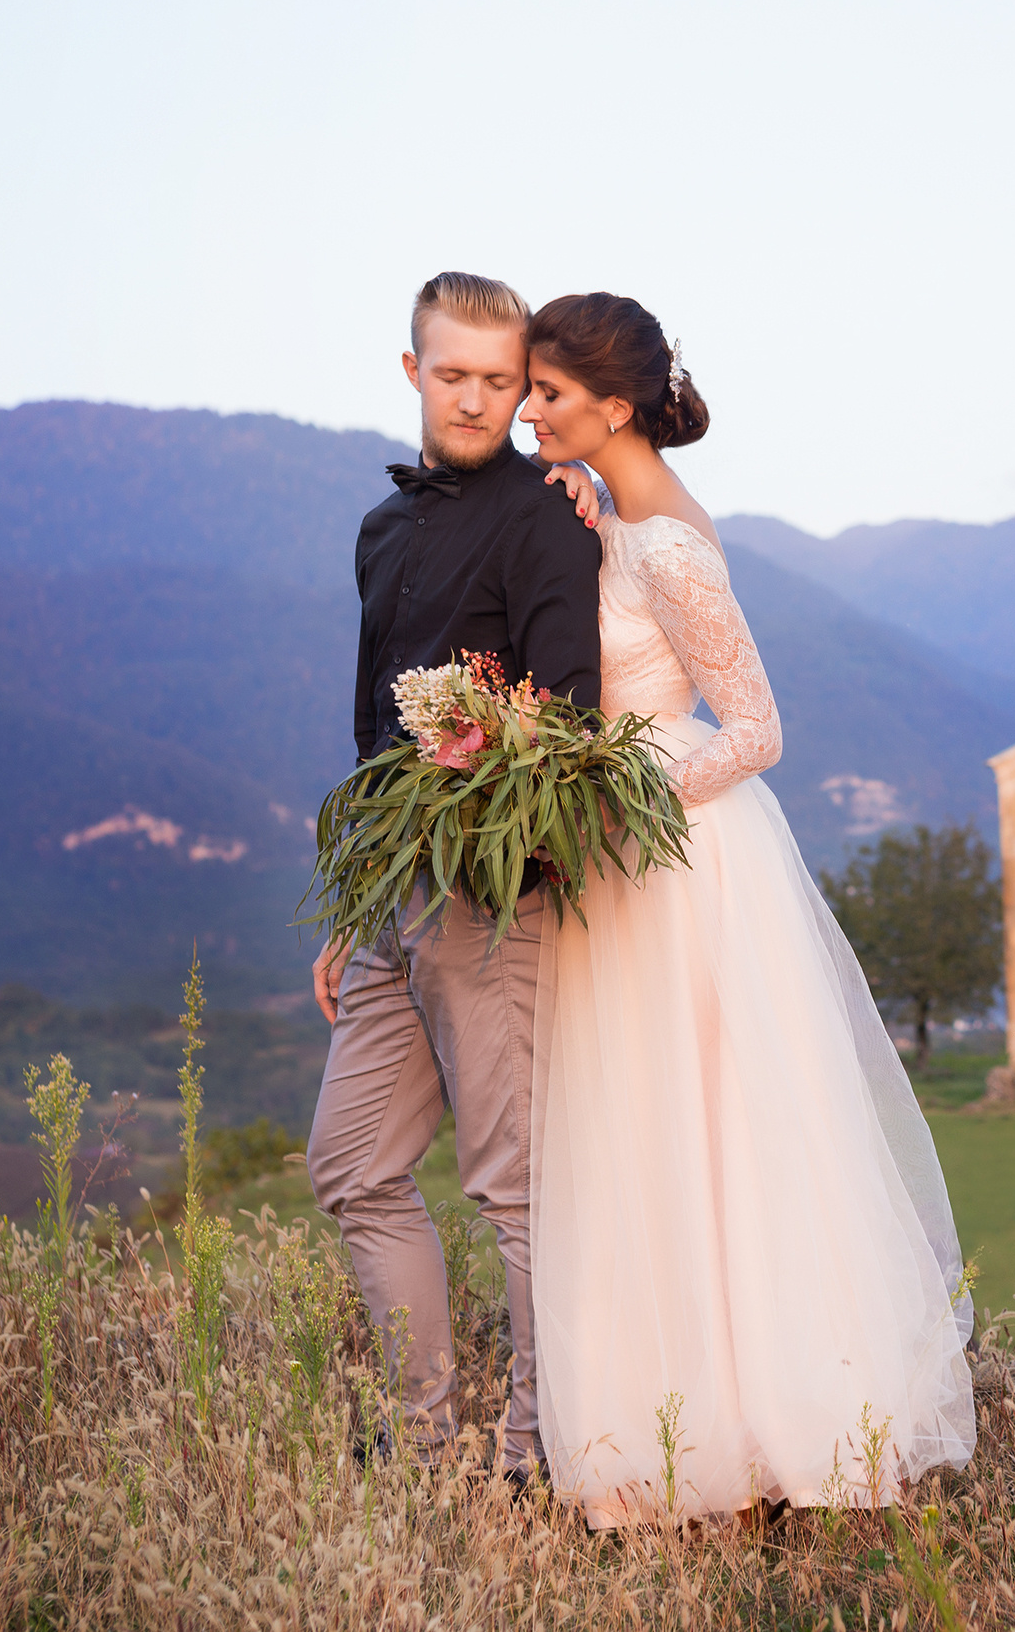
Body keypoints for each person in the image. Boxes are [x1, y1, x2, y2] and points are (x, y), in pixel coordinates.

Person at [518, 293, 976, 1527]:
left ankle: (771, 1427)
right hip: (623, 856)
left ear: (614, 407)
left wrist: (615, 798)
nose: (528, 410)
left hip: (678, 856)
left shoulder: (668, 546)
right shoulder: (620, 519)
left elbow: (759, 731)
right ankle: (672, 1430)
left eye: (549, 393)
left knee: (715, 1131)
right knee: (643, 1133)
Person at [304, 272, 601, 1479]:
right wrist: (356, 900)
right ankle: (423, 1441)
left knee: (510, 1188)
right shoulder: (381, 529)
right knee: (351, 1165)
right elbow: (371, 729)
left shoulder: (546, 518)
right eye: (453, 375)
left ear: (521, 386)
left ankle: (536, 1453)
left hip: (494, 894)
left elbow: (572, 717)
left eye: (499, 380)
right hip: (392, 897)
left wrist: (487, 834)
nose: (475, 400)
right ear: (412, 371)